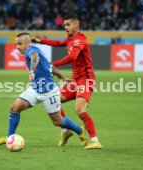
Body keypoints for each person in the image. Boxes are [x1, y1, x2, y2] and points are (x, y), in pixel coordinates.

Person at [0, 32, 87, 146]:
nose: (17, 47)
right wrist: (62, 77)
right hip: (35, 89)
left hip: (49, 92)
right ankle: (9, 138)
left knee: (58, 121)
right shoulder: (38, 50)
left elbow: (35, 57)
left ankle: (80, 131)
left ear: (28, 43)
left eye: (20, 44)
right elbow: (51, 67)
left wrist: (31, 70)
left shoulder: (31, 50)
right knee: (14, 108)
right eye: (16, 44)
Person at [32, 14, 102, 150]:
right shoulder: (70, 39)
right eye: (64, 25)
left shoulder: (80, 39)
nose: (65, 27)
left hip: (86, 80)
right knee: (53, 99)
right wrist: (40, 41)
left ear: (76, 25)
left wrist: (52, 65)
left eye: (68, 25)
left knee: (79, 110)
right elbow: (58, 43)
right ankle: (65, 131)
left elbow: (72, 57)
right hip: (75, 80)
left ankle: (95, 141)